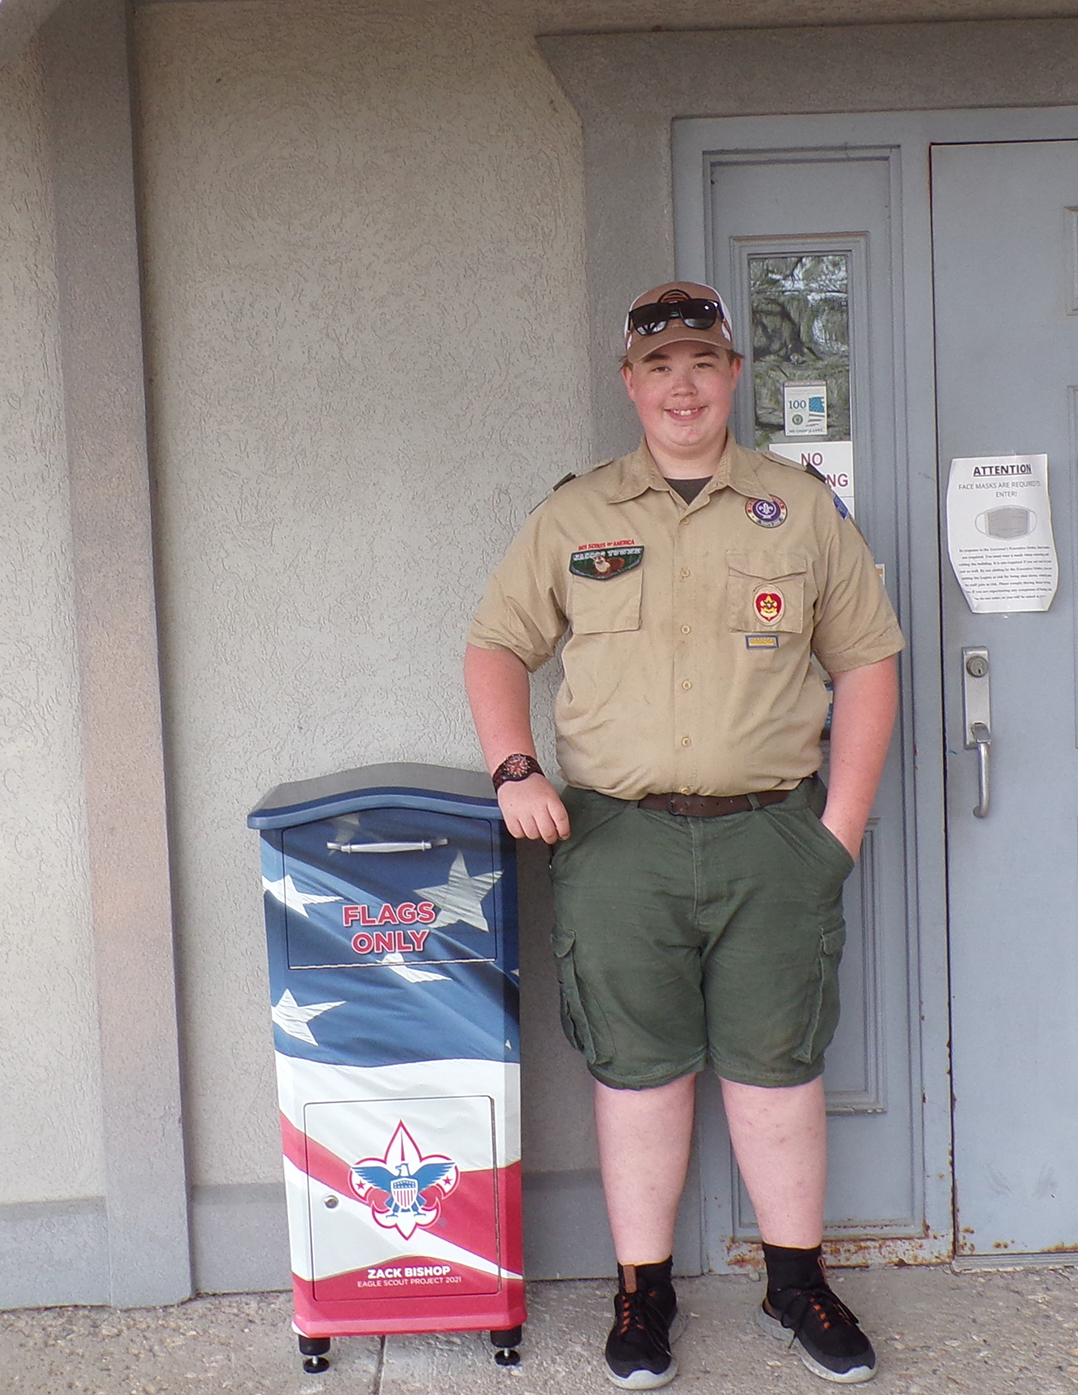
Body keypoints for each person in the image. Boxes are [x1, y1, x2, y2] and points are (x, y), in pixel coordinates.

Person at [464, 281, 903, 1390]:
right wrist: (513, 766)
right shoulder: (575, 515)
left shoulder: (799, 509)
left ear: (733, 376)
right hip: (618, 842)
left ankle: (794, 1281)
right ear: (631, 384)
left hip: (773, 839)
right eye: (660, 367)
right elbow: (495, 645)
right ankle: (641, 1292)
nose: (684, 385)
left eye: (703, 362)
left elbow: (867, 661)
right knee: (639, 1077)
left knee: (776, 1071)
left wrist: (837, 830)